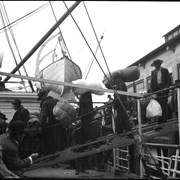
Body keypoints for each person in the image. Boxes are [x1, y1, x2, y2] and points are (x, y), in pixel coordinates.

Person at [37, 88, 67, 156]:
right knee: (56, 142)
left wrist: (41, 126)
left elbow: (44, 116)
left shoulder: (45, 103)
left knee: (48, 142)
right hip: (57, 124)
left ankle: (50, 157)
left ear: (42, 97)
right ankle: (55, 157)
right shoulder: (54, 100)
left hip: (50, 126)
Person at [150, 59, 171, 131]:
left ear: (159, 64)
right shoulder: (153, 72)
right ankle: (159, 123)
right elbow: (152, 83)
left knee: (164, 106)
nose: (155, 66)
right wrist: (152, 93)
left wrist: (166, 88)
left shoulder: (165, 70)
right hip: (157, 91)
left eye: (156, 65)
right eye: (155, 65)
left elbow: (169, 80)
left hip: (164, 90)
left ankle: (163, 123)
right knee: (158, 107)